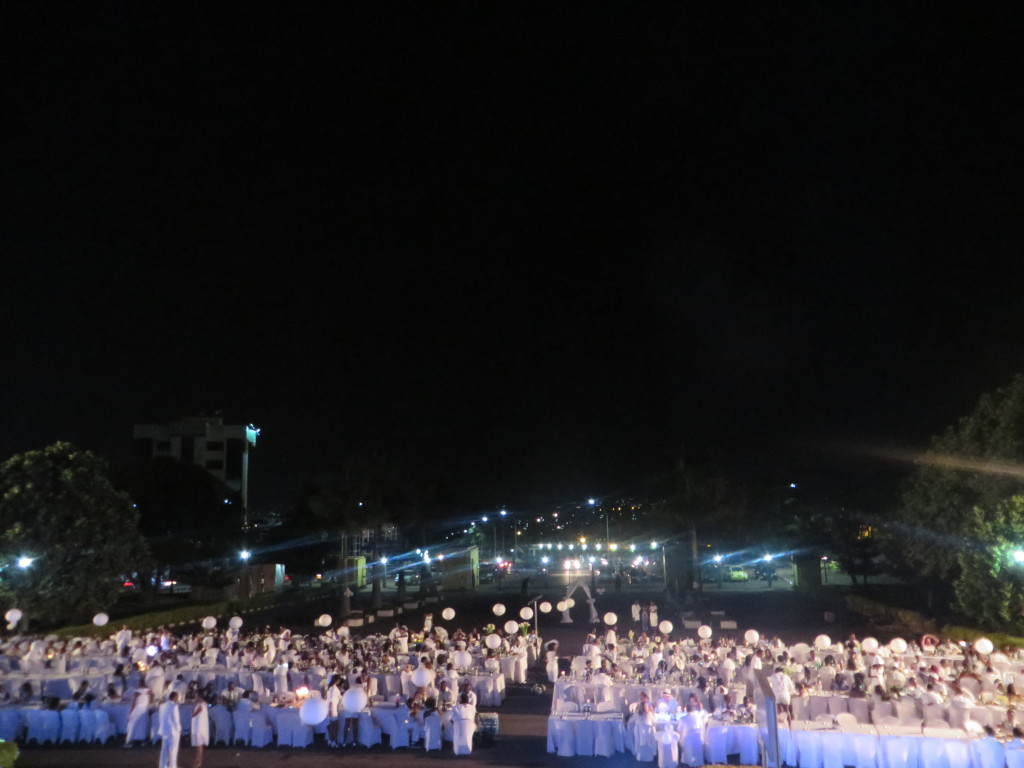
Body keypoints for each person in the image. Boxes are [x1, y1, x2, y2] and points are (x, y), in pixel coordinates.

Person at [158, 691, 182, 768]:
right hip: (173, 731)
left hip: (164, 730)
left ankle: (162, 766)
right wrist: (179, 729)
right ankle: (172, 766)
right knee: (173, 751)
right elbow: (176, 719)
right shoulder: (174, 707)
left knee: (164, 751)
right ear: (175, 698)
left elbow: (160, 718)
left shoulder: (162, 706)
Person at [190, 697, 209, 768]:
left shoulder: (202, 705)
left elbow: (199, 710)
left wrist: (193, 714)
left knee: (199, 745)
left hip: (200, 727)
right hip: (197, 726)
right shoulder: (200, 704)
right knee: (198, 745)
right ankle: (197, 760)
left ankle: (198, 761)